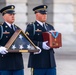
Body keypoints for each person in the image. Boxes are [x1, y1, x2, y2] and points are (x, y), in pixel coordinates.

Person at [25, 5, 56, 75]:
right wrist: (41, 44)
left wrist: (55, 43)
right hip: (38, 62)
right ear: (36, 14)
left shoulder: (50, 27)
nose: (45, 15)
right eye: (42, 14)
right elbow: (27, 42)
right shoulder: (32, 27)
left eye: (45, 14)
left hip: (50, 62)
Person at [0, 5, 24, 75]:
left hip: (18, 64)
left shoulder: (17, 29)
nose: (13, 16)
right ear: (3, 16)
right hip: (5, 64)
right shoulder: (1, 28)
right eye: (10, 14)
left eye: (13, 14)